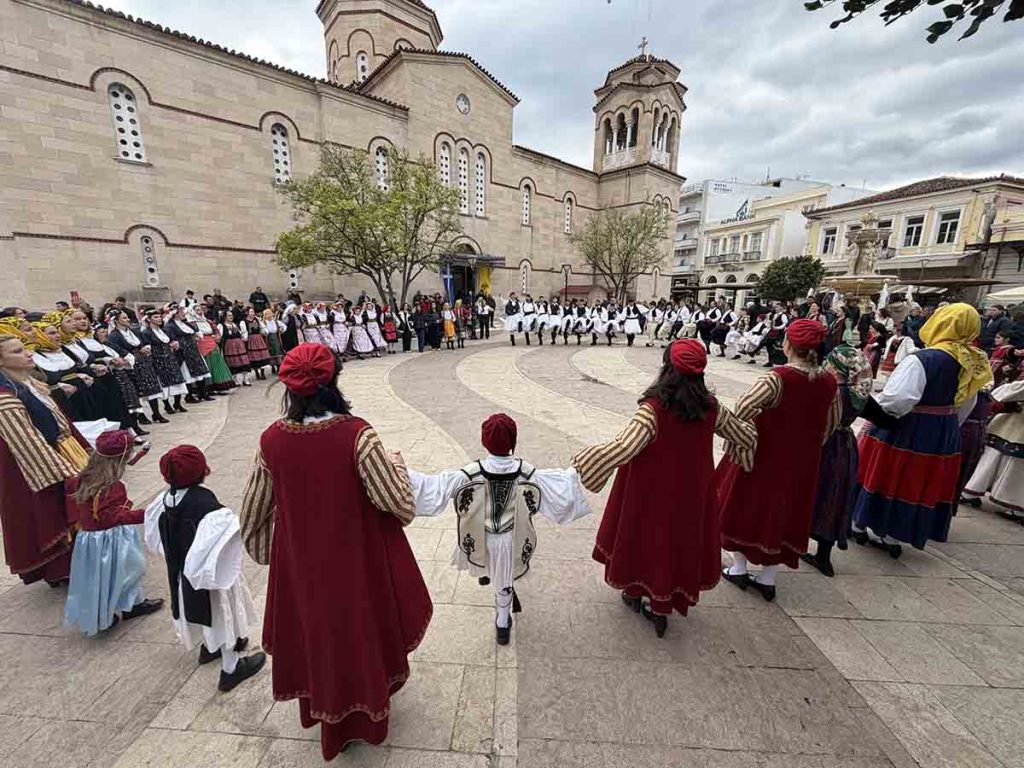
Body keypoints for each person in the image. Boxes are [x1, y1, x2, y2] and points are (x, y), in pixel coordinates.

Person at [239, 344, 432, 759]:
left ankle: (328, 713)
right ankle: (367, 711)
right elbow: (398, 504)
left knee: (320, 636)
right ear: (335, 380)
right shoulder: (358, 435)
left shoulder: (271, 441)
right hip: (358, 565)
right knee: (360, 633)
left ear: (289, 388)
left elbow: (252, 517)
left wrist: (280, 556)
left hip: (305, 572)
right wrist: (397, 467)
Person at [573, 340, 755, 637]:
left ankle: (640, 594)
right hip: (691, 494)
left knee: (647, 540)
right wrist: (750, 443)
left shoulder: (654, 409)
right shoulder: (711, 408)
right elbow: (742, 435)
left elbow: (624, 447)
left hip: (650, 492)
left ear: (667, 368)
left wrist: (585, 463)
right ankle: (660, 607)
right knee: (676, 542)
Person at [410, 413, 591, 644]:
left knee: (492, 568)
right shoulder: (525, 471)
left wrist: (401, 472)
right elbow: (559, 485)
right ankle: (503, 624)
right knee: (505, 582)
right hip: (510, 539)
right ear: (513, 440)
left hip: (478, 536)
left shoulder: (471, 471)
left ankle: (491, 584)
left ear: (484, 441)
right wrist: (576, 471)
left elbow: (434, 487)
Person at [852, 303, 992, 556]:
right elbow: (967, 402)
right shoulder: (974, 361)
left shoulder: (924, 359)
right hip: (943, 428)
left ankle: (863, 524)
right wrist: (946, 426)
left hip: (906, 426)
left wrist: (876, 414)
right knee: (918, 479)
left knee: (886, 472)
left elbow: (898, 399)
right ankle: (893, 533)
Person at [718, 319, 839, 601]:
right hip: (803, 462)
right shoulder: (829, 382)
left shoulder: (777, 378)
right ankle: (768, 577)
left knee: (746, 505)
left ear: (788, 345)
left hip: (765, 457)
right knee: (786, 511)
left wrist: (749, 435)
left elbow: (743, 407)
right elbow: (831, 424)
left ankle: (739, 568)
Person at [145, 445, 265, 691]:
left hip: (182, 575)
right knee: (223, 616)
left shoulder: (164, 500)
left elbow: (155, 539)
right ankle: (231, 669)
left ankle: (209, 648)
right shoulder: (206, 505)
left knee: (198, 610)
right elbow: (224, 543)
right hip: (211, 577)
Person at [0, 333, 88, 586]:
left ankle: (78, 563)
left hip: (60, 449)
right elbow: (26, 442)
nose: (28, 353)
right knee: (52, 514)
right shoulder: (5, 396)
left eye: (24, 348)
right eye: (17, 351)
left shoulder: (27, 382)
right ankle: (63, 570)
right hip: (37, 464)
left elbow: (60, 421)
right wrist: (66, 471)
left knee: (72, 509)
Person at [63, 430, 163, 635]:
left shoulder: (83, 478)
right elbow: (114, 517)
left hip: (93, 538)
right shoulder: (111, 487)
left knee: (108, 574)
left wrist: (141, 453)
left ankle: (131, 604)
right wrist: (151, 514)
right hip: (109, 539)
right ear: (118, 460)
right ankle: (105, 614)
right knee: (128, 569)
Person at [802, 345, 873, 577]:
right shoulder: (858, 392)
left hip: (826, 445)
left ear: (838, 367)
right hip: (846, 446)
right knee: (835, 498)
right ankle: (824, 556)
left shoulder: (832, 390)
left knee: (815, 493)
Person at [963, 380, 1024, 519]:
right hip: (1013, 425)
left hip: (1015, 428)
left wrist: (997, 392)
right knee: (1001, 461)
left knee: (994, 460)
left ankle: (970, 492)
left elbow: (1013, 390)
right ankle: (1017, 507)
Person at [108, 310, 170, 422]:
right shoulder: (114, 335)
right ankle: (141, 416)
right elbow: (116, 349)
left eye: (127, 317)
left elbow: (142, 342)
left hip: (142, 361)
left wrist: (143, 348)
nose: (127, 320)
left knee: (151, 386)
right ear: (116, 321)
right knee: (137, 389)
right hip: (130, 364)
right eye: (124, 318)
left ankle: (156, 413)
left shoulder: (134, 332)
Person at [140, 309, 190, 413]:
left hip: (170, 358)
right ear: (149, 319)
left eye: (159, 317)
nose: (159, 319)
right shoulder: (146, 333)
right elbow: (147, 347)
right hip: (158, 360)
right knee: (164, 383)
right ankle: (167, 405)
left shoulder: (165, 330)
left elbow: (172, 340)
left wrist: (174, 344)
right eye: (156, 317)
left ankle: (177, 403)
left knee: (177, 380)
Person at [165, 304, 213, 402]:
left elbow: (196, 332)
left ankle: (202, 394)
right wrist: (183, 341)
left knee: (200, 371)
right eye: (181, 311)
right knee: (187, 374)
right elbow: (172, 340)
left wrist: (196, 336)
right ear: (176, 313)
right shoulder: (170, 326)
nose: (184, 313)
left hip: (193, 350)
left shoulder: (186, 323)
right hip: (183, 353)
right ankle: (189, 396)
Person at [219, 313, 253, 387]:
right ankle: (235, 381)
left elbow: (241, 333)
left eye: (232, 315)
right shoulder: (221, 326)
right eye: (229, 315)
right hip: (229, 346)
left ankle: (245, 379)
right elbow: (219, 336)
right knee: (232, 363)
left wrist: (243, 338)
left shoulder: (234, 324)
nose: (231, 316)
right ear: (224, 317)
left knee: (244, 361)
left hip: (239, 345)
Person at [241, 308, 271, 381]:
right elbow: (244, 332)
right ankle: (257, 373)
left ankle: (262, 373)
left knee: (262, 355)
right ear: (247, 313)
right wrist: (245, 338)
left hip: (258, 338)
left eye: (253, 312)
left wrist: (264, 332)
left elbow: (262, 328)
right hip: (251, 339)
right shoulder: (244, 321)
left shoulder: (257, 320)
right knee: (254, 356)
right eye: (251, 312)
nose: (253, 313)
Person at [261, 308, 284, 373]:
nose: (269, 315)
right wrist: (263, 333)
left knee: (278, 352)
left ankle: (278, 367)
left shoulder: (276, 322)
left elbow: (283, 327)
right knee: (271, 353)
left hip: (276, 339)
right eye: (267, 314)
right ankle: (273, 366)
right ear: (265, 316)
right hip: (268, 339)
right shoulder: (263, 323)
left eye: (270, 313)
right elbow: (262, 331)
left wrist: (281, 330)